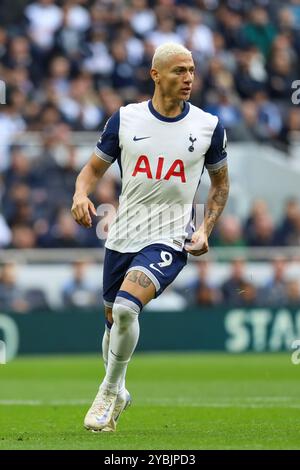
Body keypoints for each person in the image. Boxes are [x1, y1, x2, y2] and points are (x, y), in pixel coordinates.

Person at [71, 43, 229, 432]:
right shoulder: (126, 119)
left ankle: (108, 392)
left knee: (126, 309)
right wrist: (80, 194)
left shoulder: (208, 126)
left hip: (170, 237)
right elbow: (92, 169)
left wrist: (205, 228)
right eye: (179, 71)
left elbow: (220, 185)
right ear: (155, 75)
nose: (188, 78)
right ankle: (120, 389)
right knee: (112, 326)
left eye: (191, 70)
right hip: (122, 235)